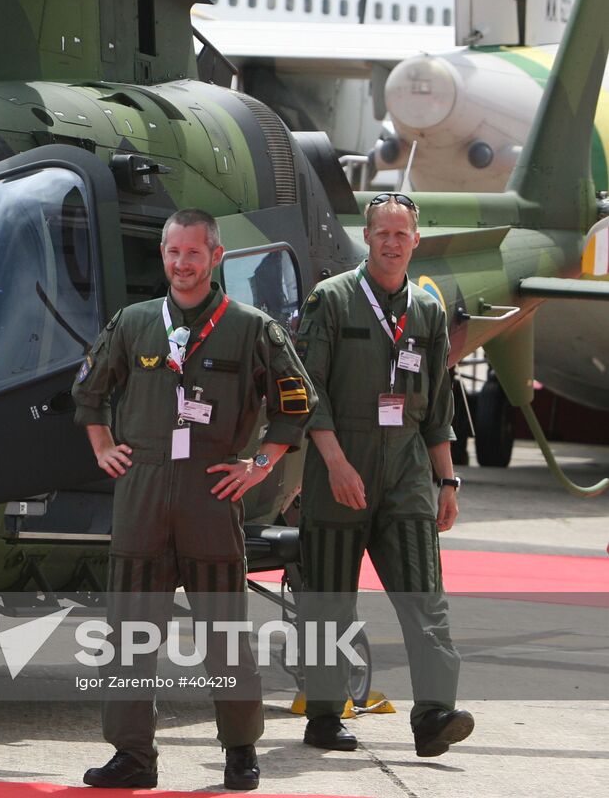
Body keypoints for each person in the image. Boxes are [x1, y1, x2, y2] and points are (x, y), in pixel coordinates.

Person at [72, 208, 317, 792]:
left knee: (223, 632)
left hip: (212, 491)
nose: (181, 264)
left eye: (193, 253)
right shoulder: (133, 323)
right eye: (172, 253)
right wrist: (104, 447)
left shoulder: (251, 327)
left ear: (216, 257)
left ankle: (239, 751)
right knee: (129, 631)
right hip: (143, 491)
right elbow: (89, 391)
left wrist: (258, 466)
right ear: (163, 256)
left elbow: (297, 402)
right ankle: (133, 755)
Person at [294, 192, 471, 757]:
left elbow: (437, 408)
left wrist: (446, 482)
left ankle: (435, 714)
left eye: (402, 235)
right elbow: (306, 392)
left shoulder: (429, 312)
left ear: (416, 241)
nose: (392, 244)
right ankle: (324, 715)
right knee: (329, 601)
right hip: (339, 466)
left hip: (406, 472)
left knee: (425, 597)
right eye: (382, 234)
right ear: (366, 238)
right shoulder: (333, 299)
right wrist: (337, 463)